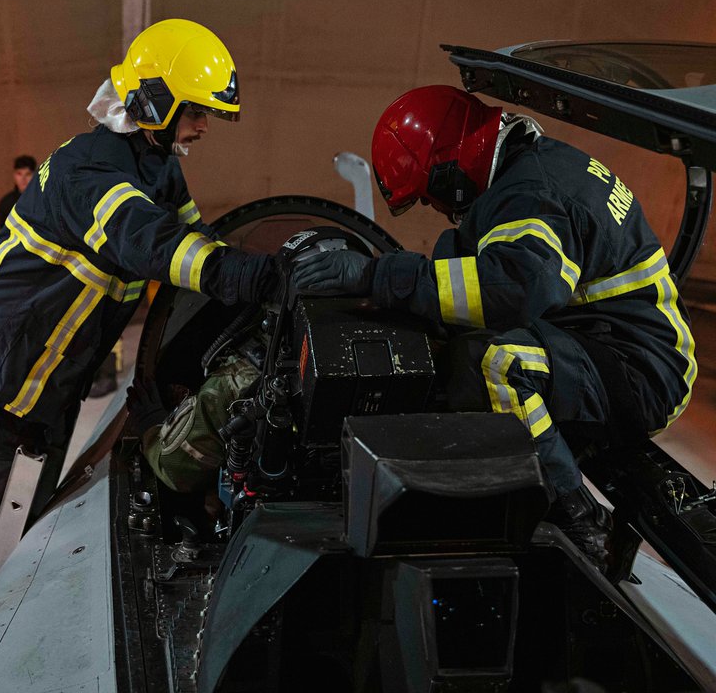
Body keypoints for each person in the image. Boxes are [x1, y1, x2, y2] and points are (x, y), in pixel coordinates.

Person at [0, 19, 286, 608]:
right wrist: (256, 275)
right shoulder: (92, 168)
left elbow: (197, 241)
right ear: (155, 102)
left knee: (29, 497)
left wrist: (248, 283)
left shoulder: (157, 165)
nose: (203, 126)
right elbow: (150, 244)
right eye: (196, 111)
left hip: (54, 372)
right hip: (9, 370)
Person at [298, 85, 696, 572]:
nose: (439, 208)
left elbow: (511, 291)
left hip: (639, 369)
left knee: (495, 363)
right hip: (602, 340)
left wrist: (379, 276)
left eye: (433, 194)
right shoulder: (522, 172)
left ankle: (580, 524)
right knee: (458, 334)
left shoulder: (532, 192)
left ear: (454, 170)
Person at [0, 155, 36, 227]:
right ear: (14, 175)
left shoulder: (44, 201)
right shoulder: (6, 203)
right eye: (19, 174)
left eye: (28, 174)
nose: (23, 179)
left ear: (35, 175)